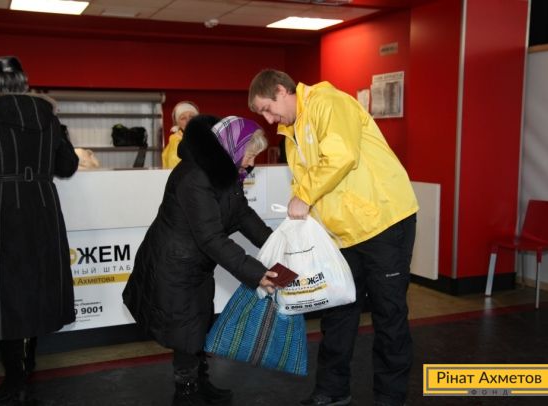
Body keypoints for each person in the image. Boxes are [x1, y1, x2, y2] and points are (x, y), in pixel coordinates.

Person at [248, 69, 419, 406]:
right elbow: (305, 184)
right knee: (337, 311)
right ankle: (332, 389)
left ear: (282, 90)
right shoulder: (290, 134)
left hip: (384, 221)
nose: (268, 119)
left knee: (388, 314)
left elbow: (341, 156)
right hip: (343, 233)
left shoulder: (328, 102)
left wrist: (305, 196)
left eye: (268, 108)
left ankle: (390, 397)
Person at [123, 115, 278, 406]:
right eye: (250, 154)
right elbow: (211, 237)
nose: (251, 163)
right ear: (233, 147)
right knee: (185, 332)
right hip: (174, 265)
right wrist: (257, 273)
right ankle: (186, 393)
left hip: (196, 264)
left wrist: (275, 244)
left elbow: (242, 214)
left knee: (198, 324)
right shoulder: (194, 176)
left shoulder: (224, 171)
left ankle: (200, 383)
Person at [0, 56, 79, 404]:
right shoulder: (47, 116)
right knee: (37, 284)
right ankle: (28, 365)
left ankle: (14, 377)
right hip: (42, 208)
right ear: (24, 80)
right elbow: (67, 166)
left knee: (3, 290)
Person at [162, 100, 199, 169]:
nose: (188, 120)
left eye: (191, 116)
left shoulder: (205, 139)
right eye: (183, 118)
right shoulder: (176, 142)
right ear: (177, 123)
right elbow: (175, 167)